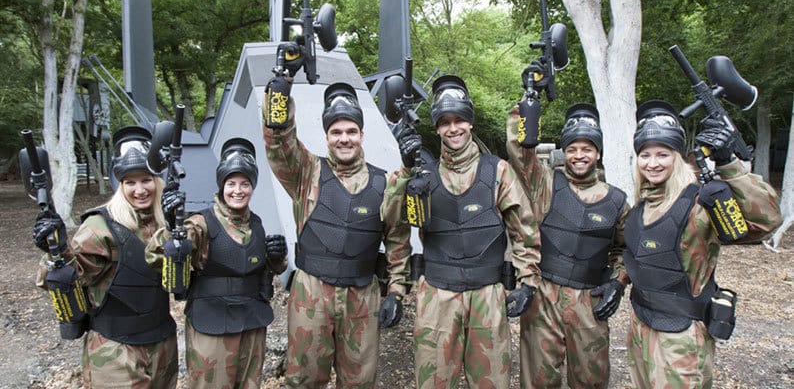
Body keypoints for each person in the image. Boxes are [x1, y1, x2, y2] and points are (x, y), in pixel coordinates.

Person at [262, 78, 412, 388]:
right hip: (311, 296)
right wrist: (278, 92)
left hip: (361, 297)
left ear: (362, 135)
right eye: (336, 132)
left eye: (351, 132)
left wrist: (396, 292)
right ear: (327, 136)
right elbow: (279, 142)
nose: (344, 139)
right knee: (303, 380)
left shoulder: (385, 184)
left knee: (359, 382)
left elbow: (398, 240)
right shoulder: (306, 172)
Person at [397, 74, 541, 388]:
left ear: (470, 123)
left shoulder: (497, 171)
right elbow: (393, 219)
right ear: (436, 127)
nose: (453, 128)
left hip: (487, 297)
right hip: (438, 297)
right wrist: (407, 174)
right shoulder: (422, 175)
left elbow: (524, 228)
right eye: (445, 122)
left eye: (459, 119)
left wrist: (528, 280)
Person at [626, 100, 782, 387]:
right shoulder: (641, 206)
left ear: (677, 157)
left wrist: (729, 164)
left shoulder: (699, 203)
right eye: (645, 155)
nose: (652, 163)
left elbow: (767, 221)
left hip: (681, 339)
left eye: (663, 154)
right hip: (641, 328)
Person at [34, 126, 178, 388]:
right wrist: (54, 251)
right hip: (116, 351)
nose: (140, 189)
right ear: (119, 184)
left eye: (146, 179)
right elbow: (70, 275)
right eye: (130, 182)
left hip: (162, 344)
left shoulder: (164, 223)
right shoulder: (101, 226)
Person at [506, 96, 631, 388]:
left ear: (597, 153)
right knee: (538, 379)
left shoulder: (617, 201)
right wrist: (525, 105)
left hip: (589, 302)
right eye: (572, 149)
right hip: (544, 298)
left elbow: (624, 250)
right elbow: (519, 151)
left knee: (591, 379)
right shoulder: (546, 183)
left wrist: (617, 282)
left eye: (586, 149)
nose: (579, 156)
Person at [145, 137, 288, 388]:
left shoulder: (256, 224)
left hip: (251, 322)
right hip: (211, 323)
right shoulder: (201, 223)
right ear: (222, 185)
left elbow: (258, 267)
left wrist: (276, 258)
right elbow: (156, 255)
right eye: (231, 183)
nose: (238, 190)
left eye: (245, 183)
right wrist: (171, 227)